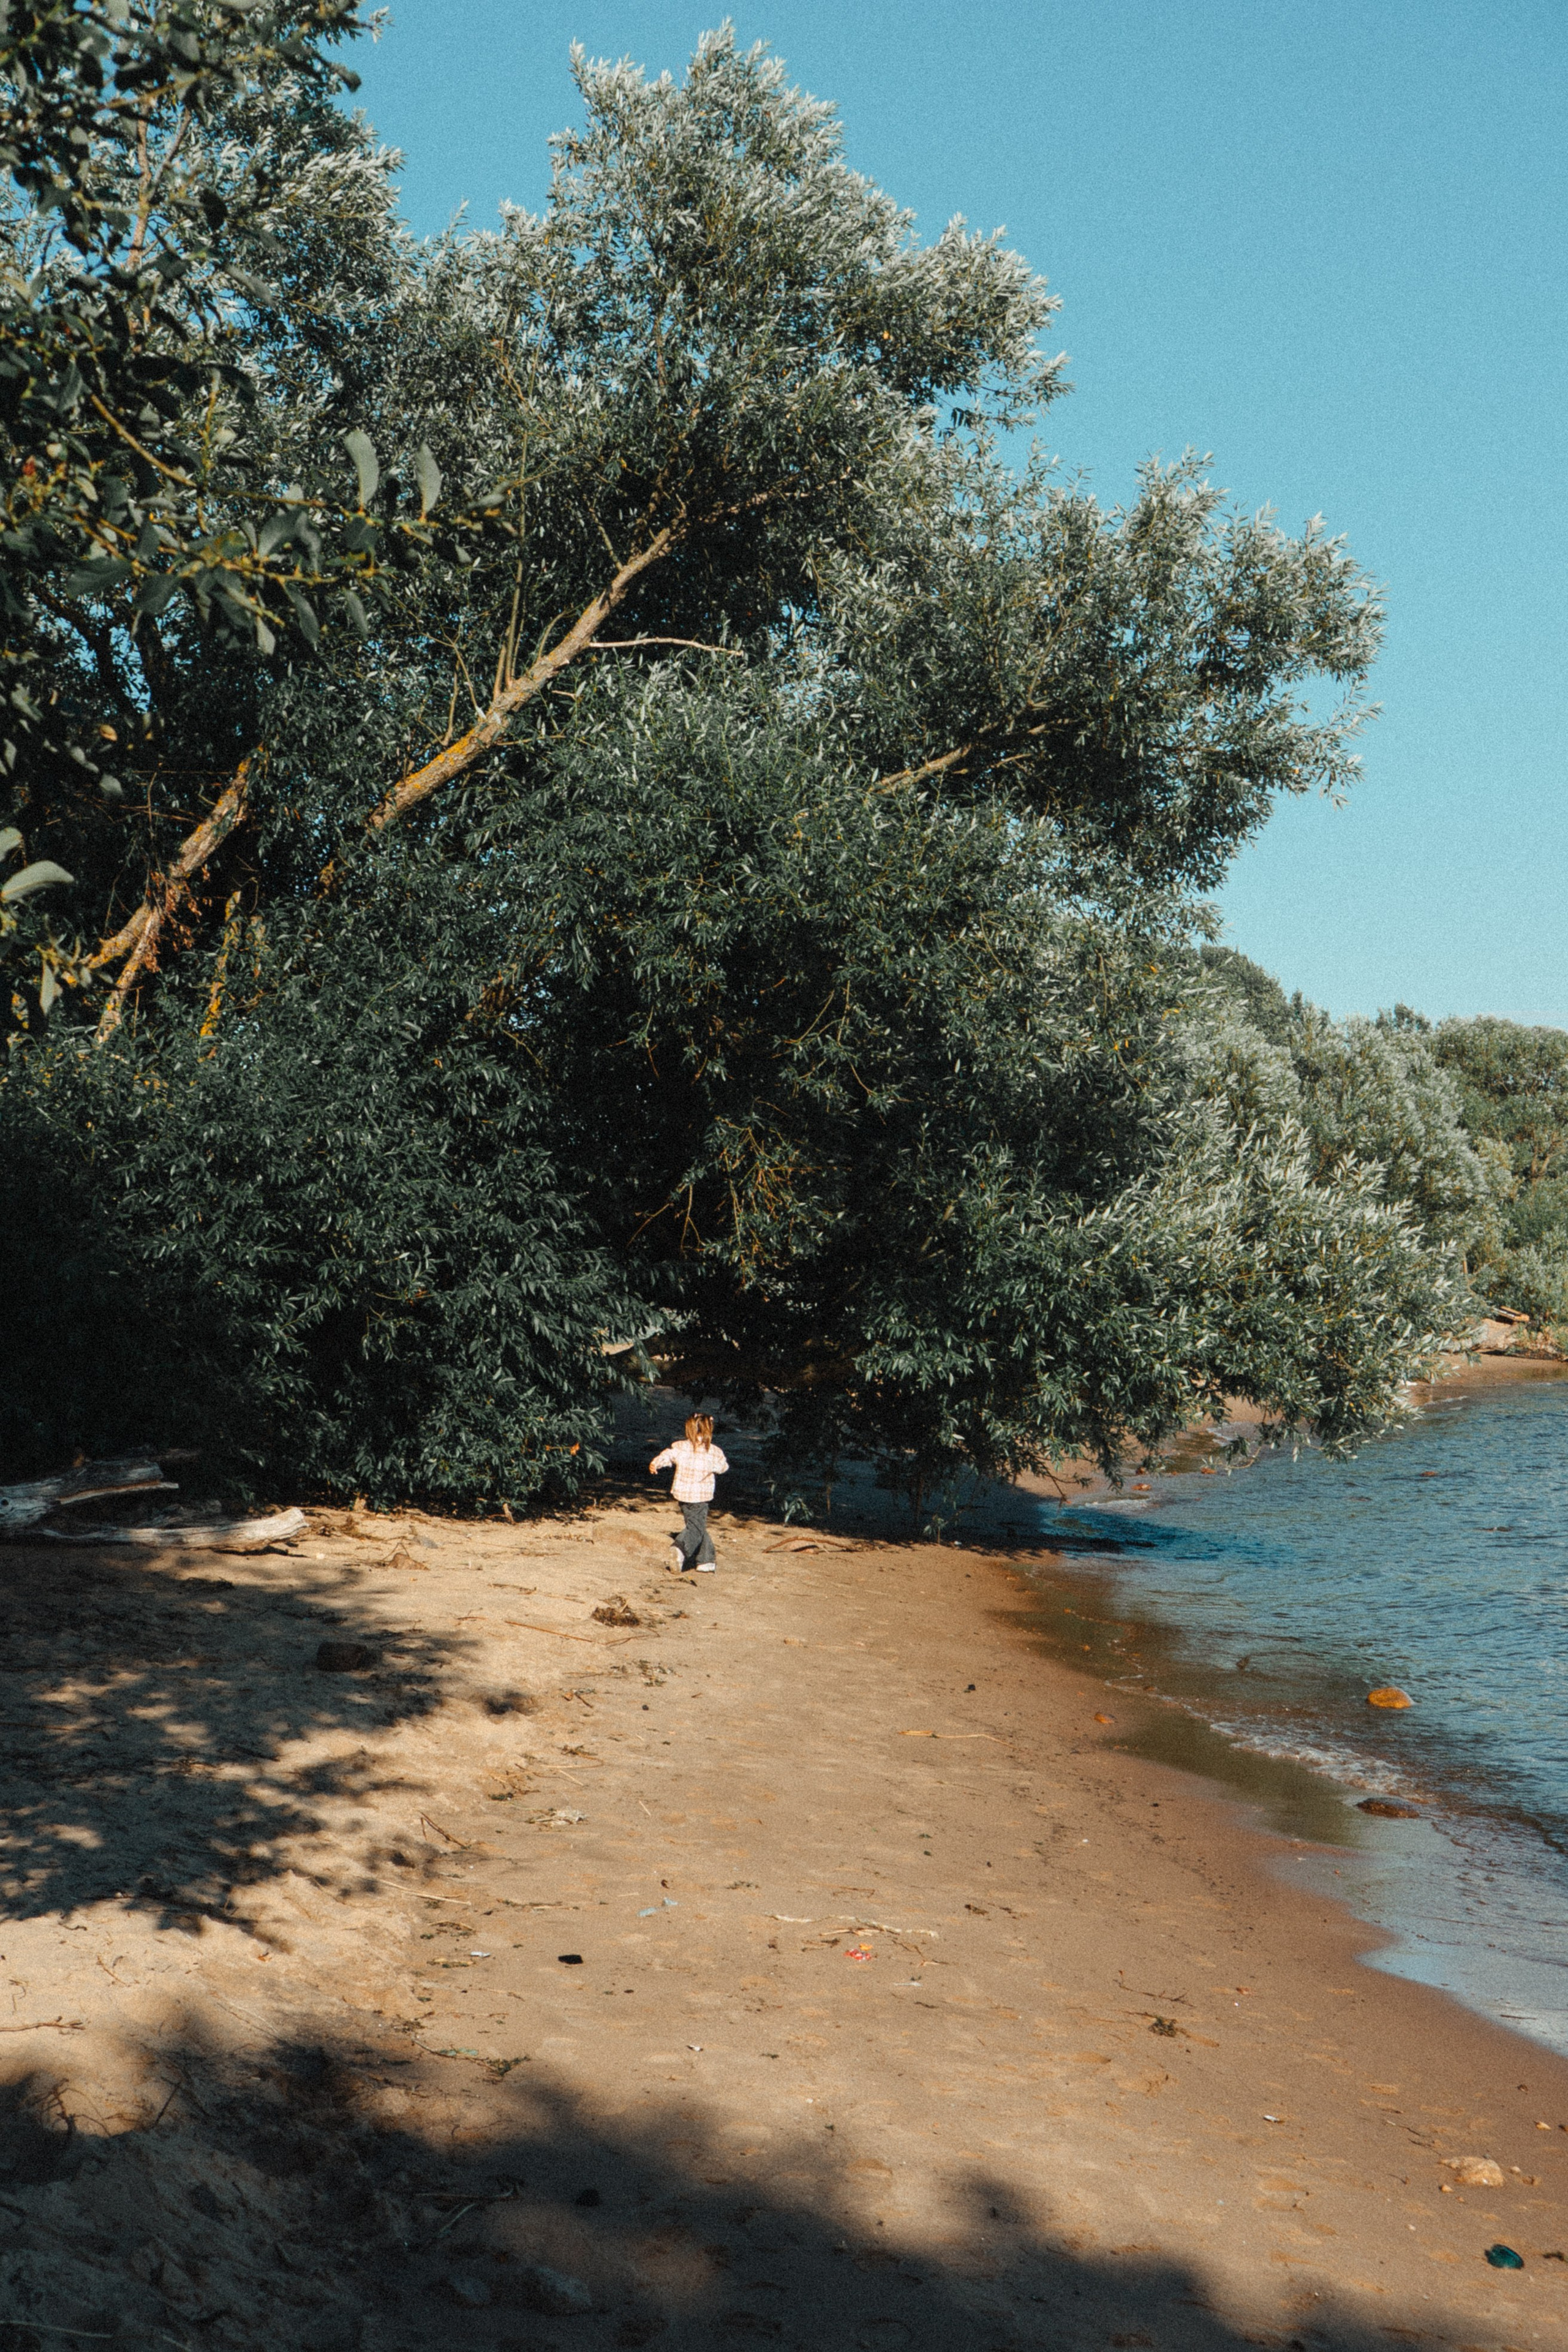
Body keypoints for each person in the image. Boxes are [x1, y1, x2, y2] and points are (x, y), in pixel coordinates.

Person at [649, 1414, 729, 1572]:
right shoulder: (714, 1452)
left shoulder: (680, 1447)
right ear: (709, 1430)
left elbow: (667, 1456)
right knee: (696, 1529)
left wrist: (656, 1463)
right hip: (700, 1497)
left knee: (696, 1525)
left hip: (682, 1494)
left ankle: (706, 1560)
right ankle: (679, 1549)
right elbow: (723, 1467)